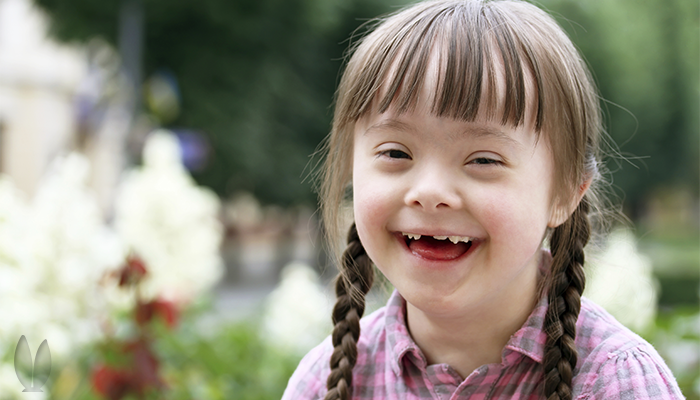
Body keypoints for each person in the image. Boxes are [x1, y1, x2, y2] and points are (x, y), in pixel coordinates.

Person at [283, 0, 684, 399]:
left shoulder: (619, 383)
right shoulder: (324, 381)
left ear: (564, 194)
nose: (430, 192)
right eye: (395, 152)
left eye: (484, 159)